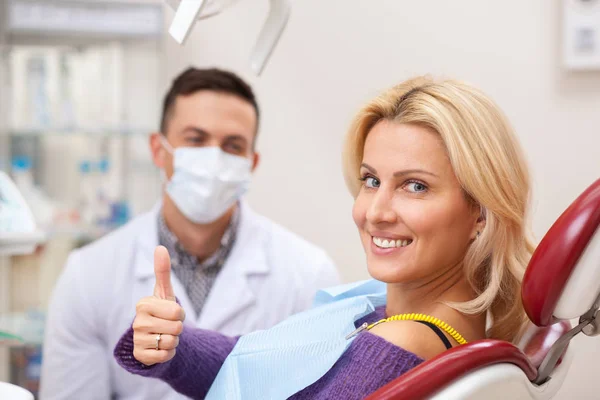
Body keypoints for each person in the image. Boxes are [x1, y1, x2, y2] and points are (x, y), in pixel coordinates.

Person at [113, 76, 535, 399]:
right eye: (371, 180)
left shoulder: (397, 348)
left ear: (480, 212)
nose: (376, 212)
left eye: (415, 186)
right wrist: (172, 344)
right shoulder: (385, 314)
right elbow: (257, 363)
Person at [40, 67, 340, 400]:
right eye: (196, 140)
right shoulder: (88, 275)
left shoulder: (309, 274)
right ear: (158, 149)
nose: (213, 158)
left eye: (232, 145)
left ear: (251, 164)